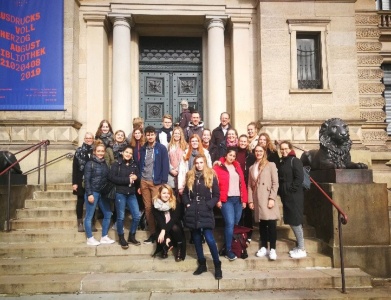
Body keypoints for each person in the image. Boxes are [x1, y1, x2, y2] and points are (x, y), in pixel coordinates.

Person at [182, 154, 222, 279]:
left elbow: (216, 194)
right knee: (197, 239)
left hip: (205, 210)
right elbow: (184, 193)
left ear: (205, 163)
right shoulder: (190, 175)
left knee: (209, 238)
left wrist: (209, 205)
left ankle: (217, 265)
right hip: (193, 210)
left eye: (201, 162)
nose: (199, 165)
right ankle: (202, 264)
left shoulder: (211, 175)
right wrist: (188, 204)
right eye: (197, 163)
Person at [213, 147, 248, 261]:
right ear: (225, 155)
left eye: (234, 156)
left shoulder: (237, 166)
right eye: (230, 155)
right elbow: (215, 185)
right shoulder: (218, 167)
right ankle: (228, 250)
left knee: (236, 224)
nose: (232, 158)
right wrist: (217, 200)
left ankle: (234, 246)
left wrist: (244, 200)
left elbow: (242, 183)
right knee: (230, 223)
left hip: (238, 199)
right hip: (226, 199)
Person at [139, 126, 170, 244]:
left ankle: (162, 232)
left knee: (158, 207)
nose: (150, 136)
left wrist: (163, 182)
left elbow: (165, 165)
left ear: (155, 135)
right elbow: (140, 164)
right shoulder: (143, 149)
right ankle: (153, 233)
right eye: (148, 134)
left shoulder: (161, 148)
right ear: (145, 136)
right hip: (144, 181)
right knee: (148, 208)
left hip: (156, 182)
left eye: (152, 134)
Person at [248, 145, 280, 260]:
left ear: (264, 152)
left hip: (267, 198)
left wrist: (272, 198)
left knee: (271, 224)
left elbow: (275, 183)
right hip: (258, 199)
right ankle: (263, 247)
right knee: (262, 224)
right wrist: (250, 200)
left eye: (260, 151)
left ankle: (272, 249)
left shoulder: (270, 165)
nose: (258, 153)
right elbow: (249, 186)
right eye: (256, 151)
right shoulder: (252, 168)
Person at [278, 141, 307, 259]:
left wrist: (290, 189)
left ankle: (302, 248)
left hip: (294, 195)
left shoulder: (295, 161)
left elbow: (299, 178)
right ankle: (300, 246)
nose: (284, 151)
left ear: (290, 149)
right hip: (287, 195)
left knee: (295, 221)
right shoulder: (283, 162)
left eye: (286, 149)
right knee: (291, 219)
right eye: (282, 149)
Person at [83, 140, 115, 246]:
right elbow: (86, 180)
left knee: (108, 213)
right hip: (93, 192)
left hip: (102, 193)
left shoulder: (104, 163)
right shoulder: (89, 164)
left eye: (102, 151)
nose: (100, 153)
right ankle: (89, 238)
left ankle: (104, 236)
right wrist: (89, 194)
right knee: (89, 216)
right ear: (94, 152)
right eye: (98, 151)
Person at [109, 146, 141, 249]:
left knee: (136, 216)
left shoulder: (134, 165)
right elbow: (112, 178)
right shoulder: (116, 164)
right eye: (126, 152)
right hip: (120, 193)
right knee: (121, 217)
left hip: (131, 194)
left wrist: (136, 178)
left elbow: (138, 176)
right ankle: (121, 237)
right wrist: (127, 180)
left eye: (130, 153)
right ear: (122, 152)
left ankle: (132, 235)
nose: (128, 154)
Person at [152, 184, 186, 261]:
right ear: (160, 194)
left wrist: (164, 232)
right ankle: (166, 246)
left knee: (174, 227)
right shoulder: (155, 205)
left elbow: (173, 219)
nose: (166, 195)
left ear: (171, 194)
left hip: (174, 227)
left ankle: (179, 247)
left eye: (168, 193)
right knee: (159, 234)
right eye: (164, 193)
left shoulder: (175, 203)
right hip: (162, 226)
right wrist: (166, 236)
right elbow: (160, 221)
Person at [72, 132, 94, 232]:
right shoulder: (79, 151)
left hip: (93, 180)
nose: (89, 140)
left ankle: (91, 223)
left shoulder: (95, 150)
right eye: (87, 138)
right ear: (84, 139)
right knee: (80, 201)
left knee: (93, 202)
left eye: (90, 138)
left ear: (93, 139)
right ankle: (80, 222)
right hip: (81, 179)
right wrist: (74, 183)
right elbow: (75, 168)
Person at [236, 134, 256, 241]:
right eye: (241, 141)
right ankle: (239, 233)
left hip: (247, 185)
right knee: (239, 211)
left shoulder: (251, 156)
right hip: (236, 185)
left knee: (248, 211)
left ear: (247, 143)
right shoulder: (234, 153)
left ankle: (248, 233)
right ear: (238, 142)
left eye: (245, 141)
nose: (243, 143)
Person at [167, 126, 188, 192]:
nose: (177, 135)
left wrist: (178, 169)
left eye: (178, 133)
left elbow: (185, 160)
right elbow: (166, 160)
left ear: (181, 135)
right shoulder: (169, 145)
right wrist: (171, 169)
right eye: (175, 133)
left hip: (182, 173)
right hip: (171, 174)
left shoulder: (185, 146)